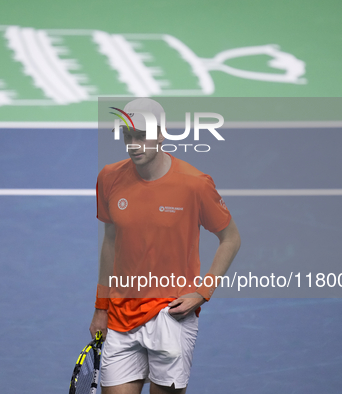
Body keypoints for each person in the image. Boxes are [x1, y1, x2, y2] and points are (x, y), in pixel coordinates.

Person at [90, 98, 241, 394]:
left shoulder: (195, 184)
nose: (134, 145)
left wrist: (203, 291)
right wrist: (100, 306)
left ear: (160, 134)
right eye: (128, 137)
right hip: (121, 313)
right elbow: (110, 242)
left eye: (142, 136)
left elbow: (231, 238)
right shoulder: (109, 178)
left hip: (171, 313)